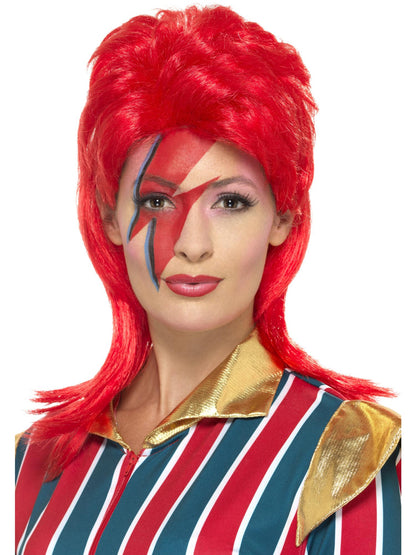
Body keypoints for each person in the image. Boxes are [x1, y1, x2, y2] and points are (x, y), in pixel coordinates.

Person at [15, 5, 401, 554]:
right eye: (157, 201)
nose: (192, 245)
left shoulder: (347, 450)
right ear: (109, 216)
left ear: (282, 216)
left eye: (231, 202)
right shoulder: (36, 458)